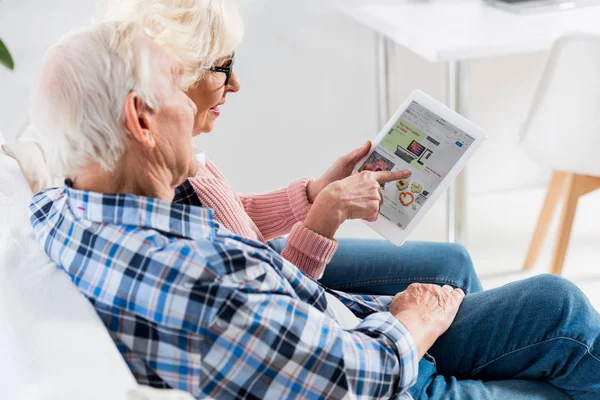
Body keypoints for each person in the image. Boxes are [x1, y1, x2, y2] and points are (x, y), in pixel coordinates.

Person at [30, 20, 600, 400]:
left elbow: (245, 245)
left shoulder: (60, 205)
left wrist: (312, 199)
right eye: (178, 89)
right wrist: (412, 323)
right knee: (563, 319)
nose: (200, 99)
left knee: (549, 304)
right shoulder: (206, 278)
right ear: (142, 119)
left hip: (347, 324)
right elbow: (355, 378)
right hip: (385, 369)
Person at [94, 0, 483, 299]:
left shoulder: (174, 153)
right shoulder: (161, 181)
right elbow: (273, 304)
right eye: (223, 68)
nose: (236, 85)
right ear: (173, 76)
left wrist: (314, 195)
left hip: (273, 260)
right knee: (469, 285)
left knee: (455, 262)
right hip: (286, 280)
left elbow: (235, 219)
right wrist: (324, 221)